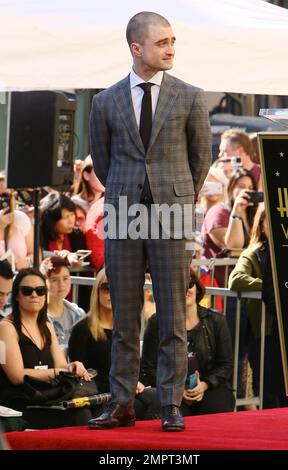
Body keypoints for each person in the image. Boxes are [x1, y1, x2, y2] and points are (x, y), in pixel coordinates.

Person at [89, 11, 211, 431]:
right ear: (136, 48)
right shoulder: (105, 101)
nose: (171, 49)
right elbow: (103, 163)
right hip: (123, 211)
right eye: (162, 43)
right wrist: (126, 189)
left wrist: (175, 195)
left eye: (173, 41)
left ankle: (170, 404)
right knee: (124, 315)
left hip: (171, 212)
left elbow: (201, 159)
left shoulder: (191, 96)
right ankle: (121, 402)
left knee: (173, 315)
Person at [0, 268, 93, 429]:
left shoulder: (47, 327)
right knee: (80, 416)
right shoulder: (5, 328)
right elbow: (16, 376)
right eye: (27, 291)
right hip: (19, 403)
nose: (34, 295)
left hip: (47, 396)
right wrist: (57, 372)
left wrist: (73, 366)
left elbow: (62, 365)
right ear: (16, 295)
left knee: (91, 409)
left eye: (40, 290)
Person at [228, 204, 288, 408]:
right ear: (261, 225)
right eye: (271, 221)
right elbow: (236, 279)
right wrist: (274, 285)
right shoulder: (252, 254)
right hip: (266, 335)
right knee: (269, 394)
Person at [69, 268, 161, 420]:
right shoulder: (82, 328)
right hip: (101, 395)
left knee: (164, 398)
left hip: (128, 391)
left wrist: (135, 383)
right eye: (106, 288)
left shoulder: (128, 326)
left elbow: (134, 365)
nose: (112, 293)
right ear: (97, 291)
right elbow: (81, 375)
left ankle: (148, 443)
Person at [140, 273, 235, 416]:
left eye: (189, 284)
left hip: (210, 388)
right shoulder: (157, 323)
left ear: (197, 288)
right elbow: (148, 367)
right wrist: (176, 389)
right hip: (170, 390)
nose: (185, 289)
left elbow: (225, 365)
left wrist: (204, 385)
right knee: (167, 413)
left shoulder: (216, 321)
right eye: (178, 285)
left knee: (217, 406)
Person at [40, 256, 86, 356]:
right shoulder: (39, 316)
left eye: (65, 278)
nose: (62, 284)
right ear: (44, 282)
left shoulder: (78, 313)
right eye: (54, 280)